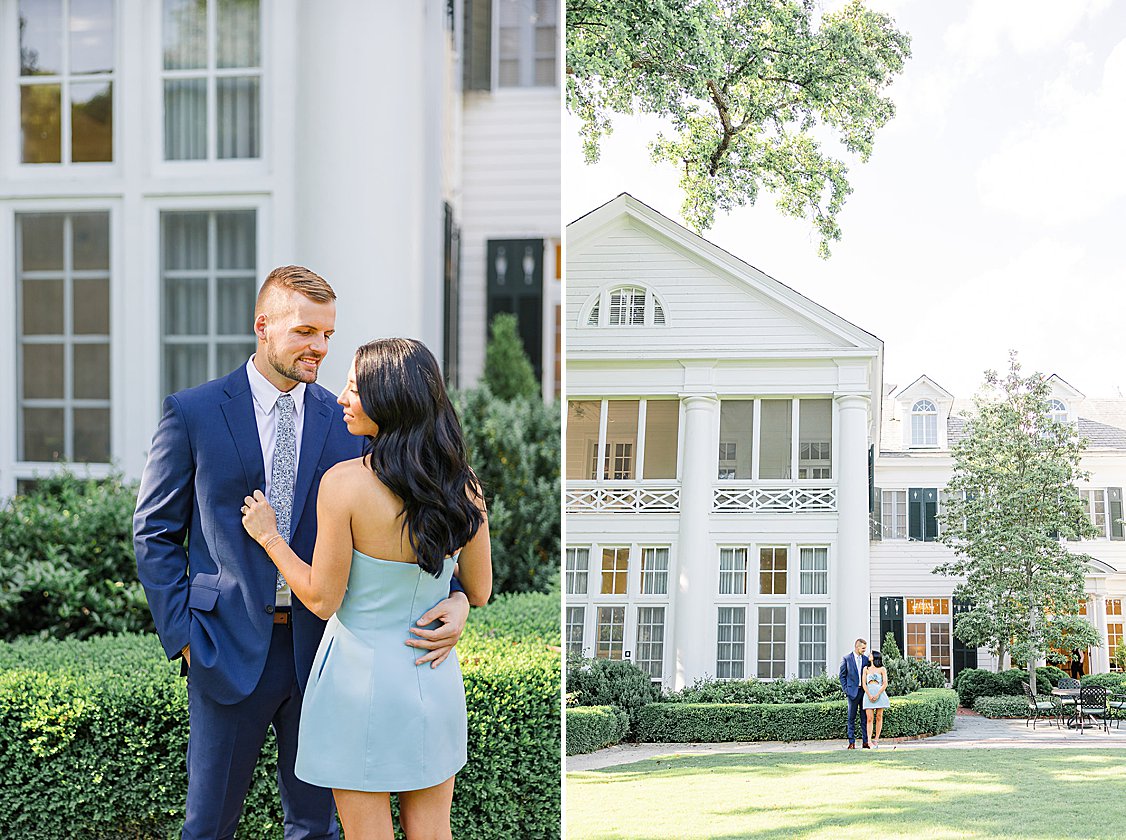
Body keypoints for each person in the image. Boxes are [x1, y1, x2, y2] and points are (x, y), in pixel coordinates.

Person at [134, 267, 471, 840]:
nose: (319, 347)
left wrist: (455, 596)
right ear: (262, 326)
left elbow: (416, 511)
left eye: (328, 334)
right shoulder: (193, 412)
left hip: (328, 656)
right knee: (207, 826)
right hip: (224, 646)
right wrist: (186, 638)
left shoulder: (349, 419)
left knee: (316, 829)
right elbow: (154, 531)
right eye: (305, 331)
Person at [241, 338, 491, 840]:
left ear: (389, 399)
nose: (341, 397)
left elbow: (321, 599)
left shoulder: (345, 484)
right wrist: (458, 600)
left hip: (356, 685)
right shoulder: (464, 484)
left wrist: (270, 538)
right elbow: (479, 589)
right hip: (432, 676)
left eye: (355, 388)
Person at [838, 638, 870, 749]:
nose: (864, 650)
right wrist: (846, 690)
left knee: (864, 718)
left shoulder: (866, 659)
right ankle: (851, 742)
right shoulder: (846, 659)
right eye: (863, 648)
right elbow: (842, 676)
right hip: (852, 693)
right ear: (857, 647)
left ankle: (865, 742)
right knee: (851, 718)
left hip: (864, 692)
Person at [862, 650, 890, 748]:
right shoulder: (866, 669)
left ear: (875, 656)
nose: (869, 655)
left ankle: (876, 739)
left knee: (879, 717)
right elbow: (864, 683)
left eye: (871, 654)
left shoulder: (882, 669)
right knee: (869, 718)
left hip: (880, 694)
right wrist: (869, 694)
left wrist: (878, 694)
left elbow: (885, 683)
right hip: (868, 694)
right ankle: (869, 741)